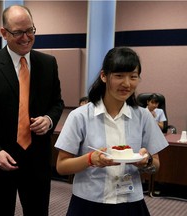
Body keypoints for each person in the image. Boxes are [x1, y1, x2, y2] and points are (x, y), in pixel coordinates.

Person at [0, 5, 64, 216]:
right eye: (18, 32)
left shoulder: (48, 63)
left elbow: (57, 103)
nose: (26, 37)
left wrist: (49, 119)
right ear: (4, 33)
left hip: (37, 162)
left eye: (30, 30)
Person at [55, 47, 168, 216]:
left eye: (133, 76)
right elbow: (61, 166)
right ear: (103, 76)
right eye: (119, 76)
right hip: (89, 203)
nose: (127, 83)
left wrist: (147, 162)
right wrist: (90, 159)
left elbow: (156, 164)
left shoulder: (143, 116)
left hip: (130, 202)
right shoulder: (80, 116)